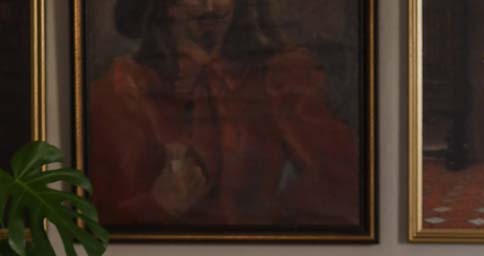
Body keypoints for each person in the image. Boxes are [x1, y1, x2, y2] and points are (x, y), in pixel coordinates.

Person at [89, 0, 360, 229]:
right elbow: (91, 221)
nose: (211, 7)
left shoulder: (279, 77)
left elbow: (344, 185)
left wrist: (269, 219)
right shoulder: (122, 91)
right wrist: (158, 204)